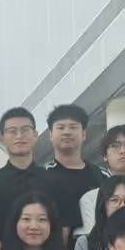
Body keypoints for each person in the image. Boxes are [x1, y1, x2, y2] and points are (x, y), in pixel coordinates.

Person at [0, 107, 51, 233]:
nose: (19, 136)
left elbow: (63, 226)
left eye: (25, 130)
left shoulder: (54, 180)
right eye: (12, 131)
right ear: (2, 138)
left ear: (35, 135)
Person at [40, 103, 101, 240]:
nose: (67, 132)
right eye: (60, 127)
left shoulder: (101, 175)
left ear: (84, 134)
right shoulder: (39, 177)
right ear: (50, 135)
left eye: (73, 127)